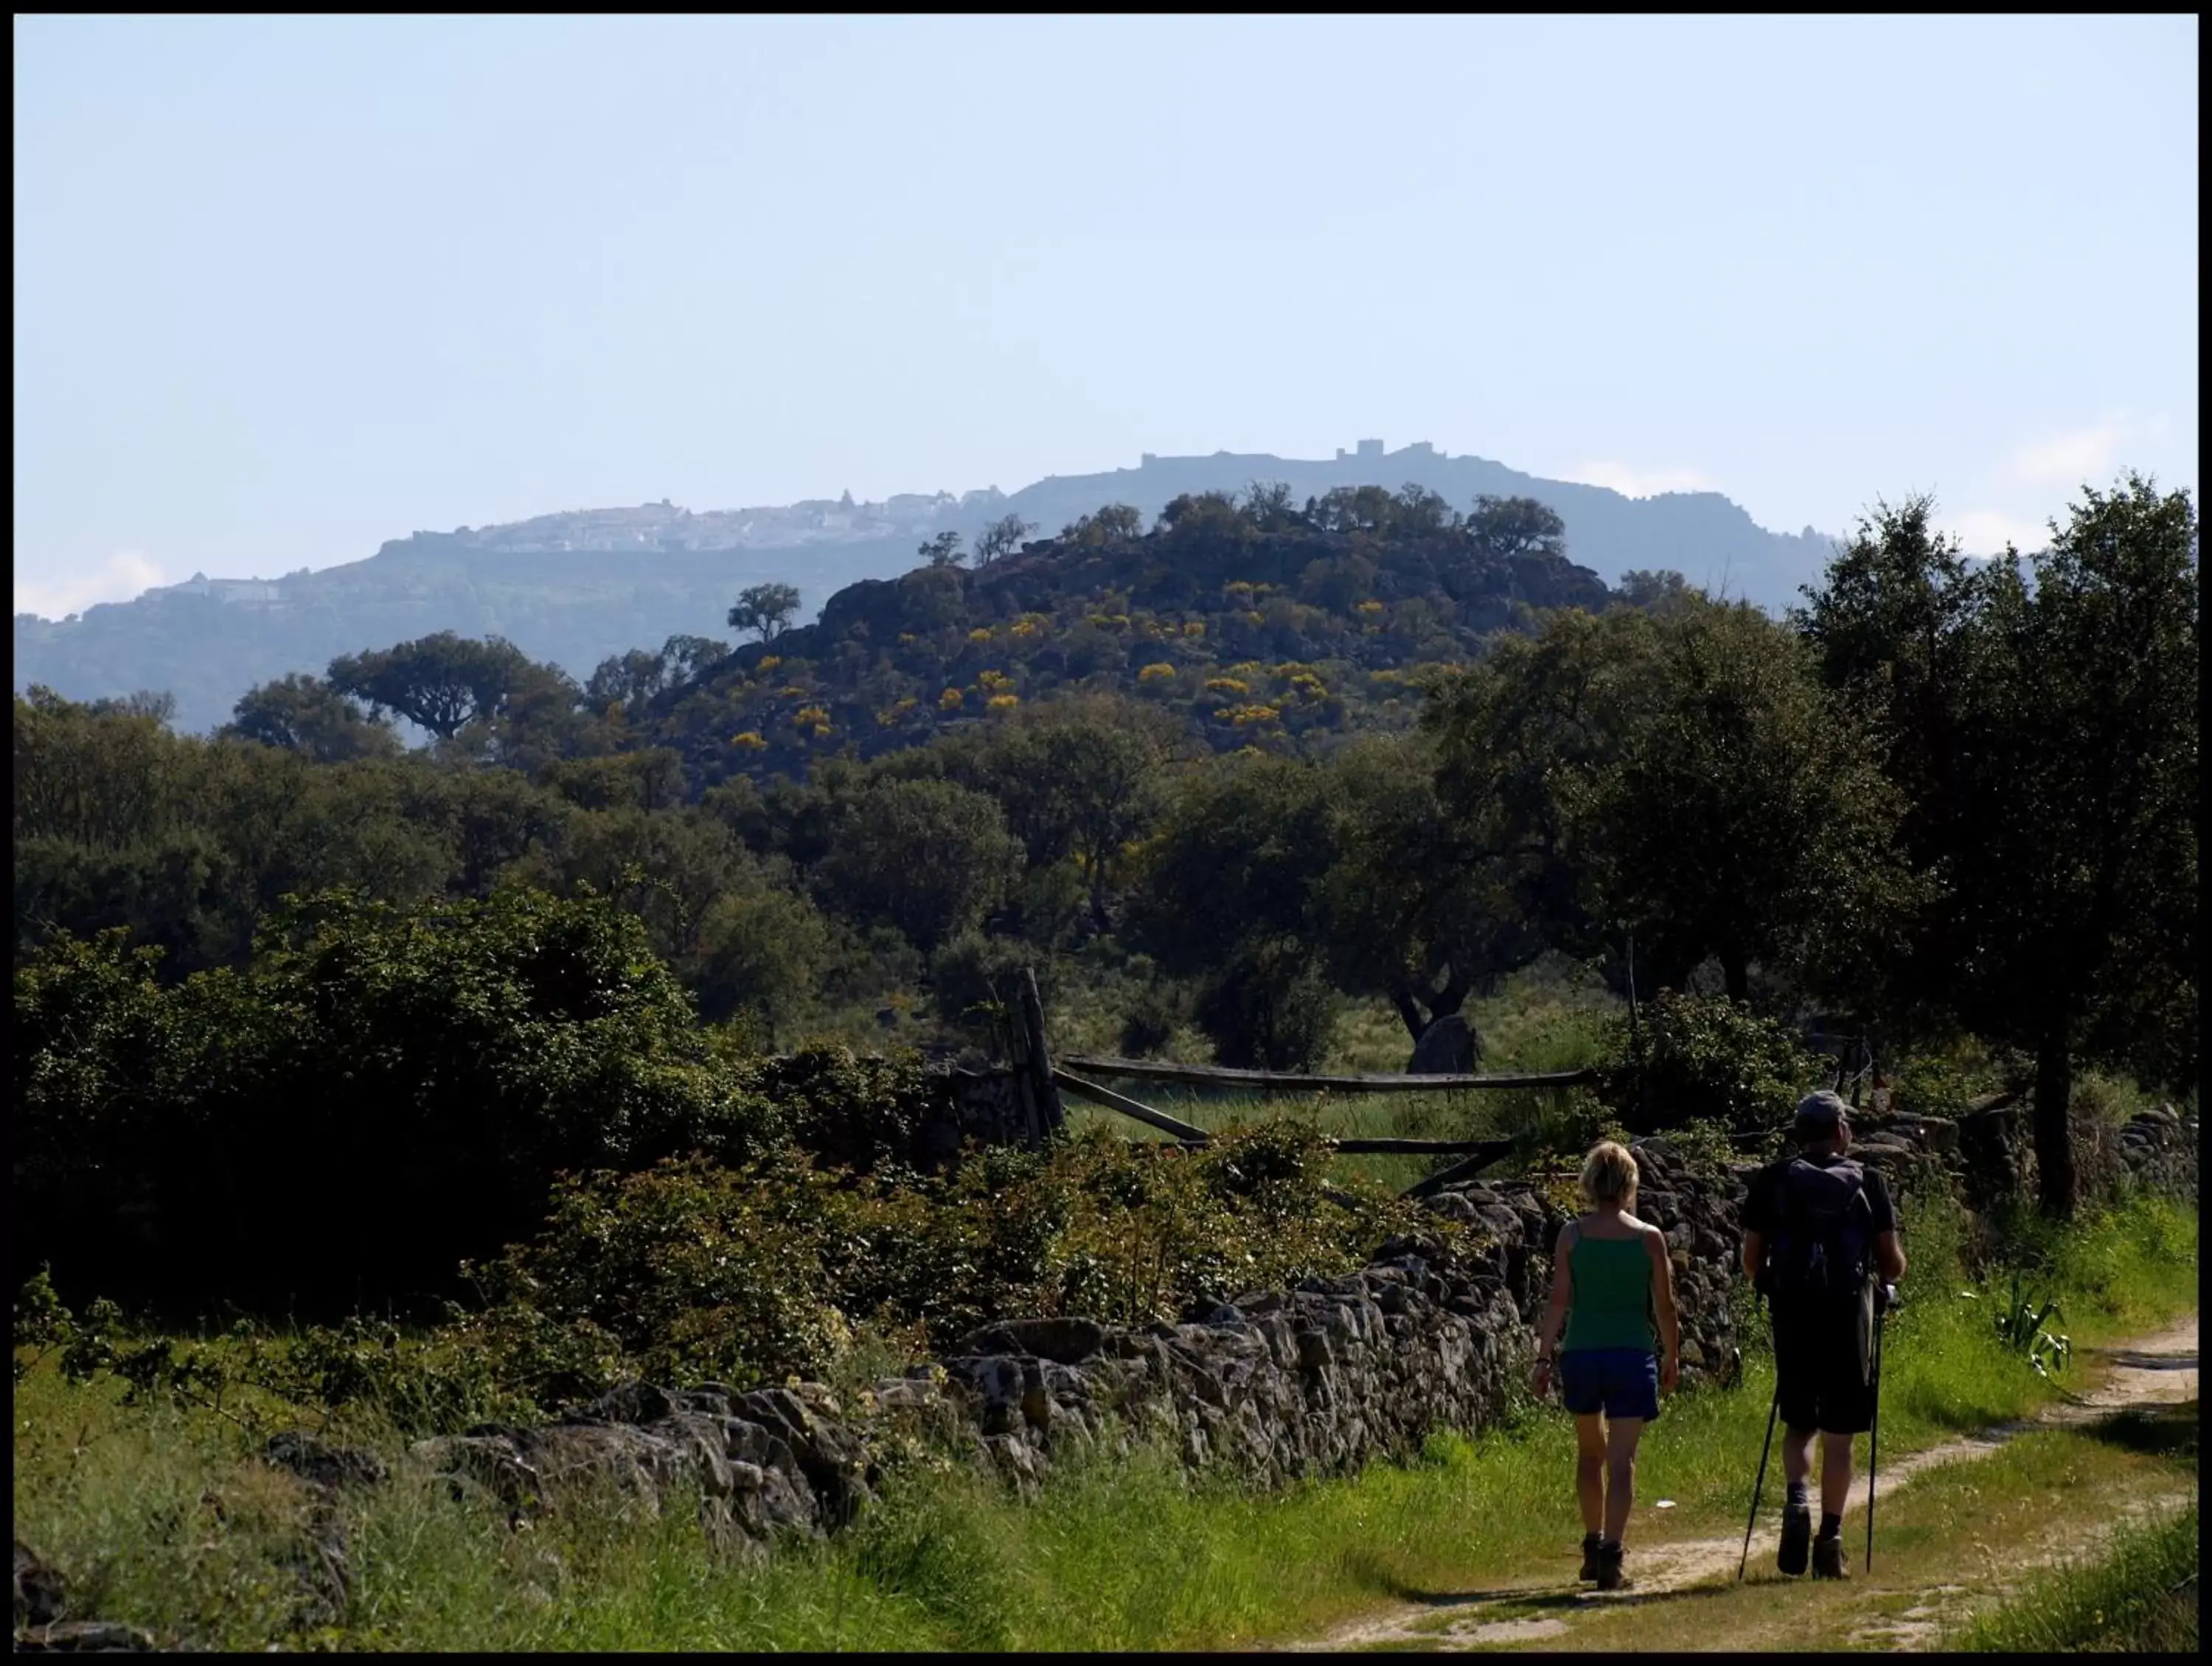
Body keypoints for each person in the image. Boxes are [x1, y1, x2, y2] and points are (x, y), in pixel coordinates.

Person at [1741, 1089, 1908, 1580]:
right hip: (1847, 1315)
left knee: (1798, 1423)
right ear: (1840, 1131)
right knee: (1841, 1435)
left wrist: (1776, 1284)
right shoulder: (1869, 1181)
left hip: (1794, 1313)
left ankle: (1797, 1500)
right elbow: (1892, 1263)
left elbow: (1752, 1260)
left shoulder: (1773, 1180)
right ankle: (1831, 1539)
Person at [1531, 1139, 1681, 1592]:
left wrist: (1542, 1357)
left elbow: (1559, 1301)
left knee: (1589, 1454)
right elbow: (1665, 1305)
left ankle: (1593, 1545)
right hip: (1632, 1356)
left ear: (1590, 1184)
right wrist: (1672, 1354)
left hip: (1582, 1353)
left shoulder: (1572, 1236)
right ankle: (1613, 1556)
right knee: (1622, 1461)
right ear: (1631, 1184)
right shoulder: (1648, 1239)